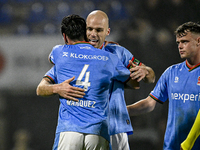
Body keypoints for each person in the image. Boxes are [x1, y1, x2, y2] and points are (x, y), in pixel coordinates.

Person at [37, 10, 155, 150]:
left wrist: (146, 71)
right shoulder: (71, 56)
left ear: (107, 31)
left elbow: (149, 78)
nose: (93, 34)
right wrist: (57, 88)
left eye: (99, 30)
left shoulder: (118, 53)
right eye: (90, 29)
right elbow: (42, 86)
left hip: (115, 126)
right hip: (84, 128)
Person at [127, 21, 200, 150]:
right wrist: (123, 110)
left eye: (185, 42)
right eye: (178, 43)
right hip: (172, 146)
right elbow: (149, 103)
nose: (180, 46)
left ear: (198, 41)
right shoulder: (171, 72)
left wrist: (189, 142)